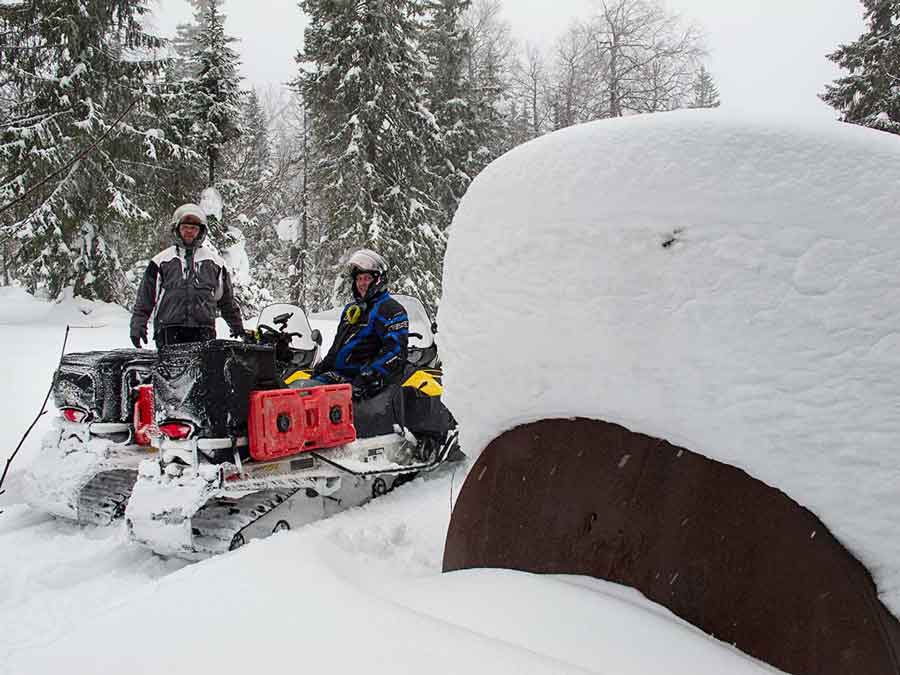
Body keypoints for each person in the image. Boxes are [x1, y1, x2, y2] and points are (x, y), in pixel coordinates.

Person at [130, 203, 244, 349]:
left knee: (204, 371)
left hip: (203, 332)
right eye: (185, 227)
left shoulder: (215, 263)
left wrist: (237, 326)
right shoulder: (161, 261)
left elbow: (226, 301)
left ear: (201, 231)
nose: (189, 232)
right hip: (169, 331)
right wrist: (137, 325)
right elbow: (145, 299)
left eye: (193, 228)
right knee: (170, 371)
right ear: (177, 229)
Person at [311, 249, 409, 400]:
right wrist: (322, 368)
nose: (362, 283)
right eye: (359, 279)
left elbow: (395, 351)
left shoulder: (390, 309)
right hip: (341, 378)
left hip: (364, 383)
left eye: (367, 278)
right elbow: (337, 347)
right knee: (303, 390)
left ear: (378, 280)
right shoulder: (351, 310)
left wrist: (369, 377)